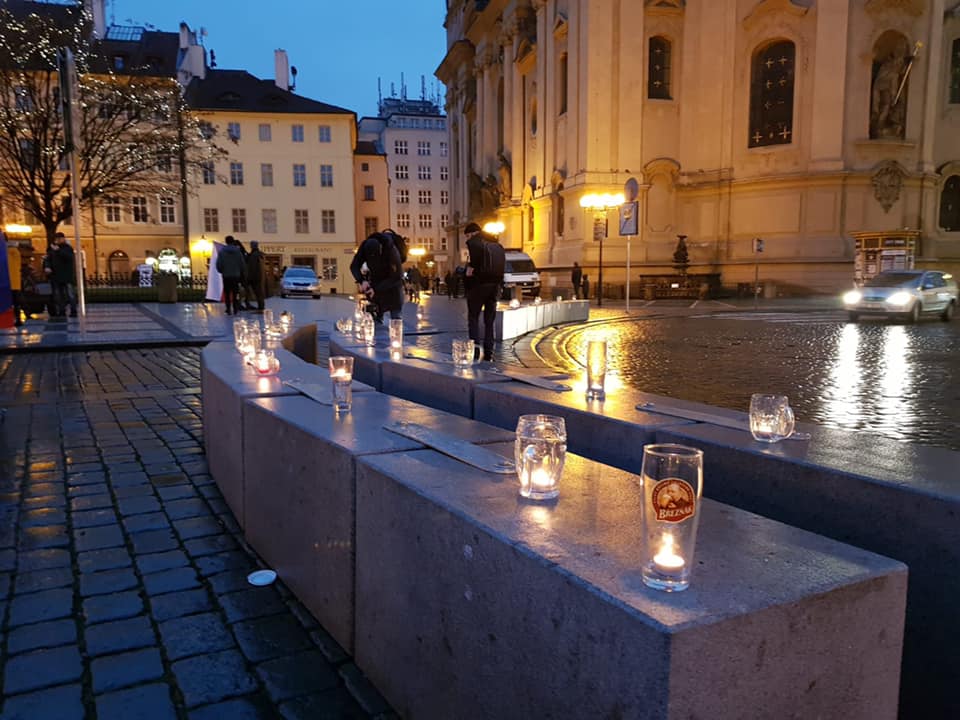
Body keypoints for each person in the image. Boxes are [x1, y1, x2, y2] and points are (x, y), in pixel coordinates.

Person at [464, 222, 505, 362]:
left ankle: (475, 351)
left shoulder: (474, 243)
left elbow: (473, 268)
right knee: (489, 321)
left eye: (468, 235)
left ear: (472, 233)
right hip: (494, 286)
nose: (468, 238)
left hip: (479, 285)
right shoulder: (496, 243)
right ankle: (489, 351)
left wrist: (467, 272)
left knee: (473, 318)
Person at [349, 230, 405, 321]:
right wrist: (362, 281)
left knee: (395, 316)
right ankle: (377, 326)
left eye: (375, 256)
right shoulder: (364, 246)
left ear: (380, 249)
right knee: (374, 315)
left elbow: (397, 276)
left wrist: (375, 288)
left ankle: (396, 330)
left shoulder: (391, 250)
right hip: (376, 282)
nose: (372, 259)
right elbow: (354, 266)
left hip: (393, 285)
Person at [216, 235, 246, 315]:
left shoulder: (222, 252)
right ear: (233, 241)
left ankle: (228, 308)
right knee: (236, 293)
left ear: (226, 241)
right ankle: (235, 308)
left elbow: (218, 264)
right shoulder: (238, 252)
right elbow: (242, 264)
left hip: (226, 275)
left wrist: (222, 271)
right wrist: (240, 271)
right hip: (236, 275)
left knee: (227, 293)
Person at [51, 232, 77, 318]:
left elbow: (69, 257)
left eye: (59, 238)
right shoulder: (53, 249)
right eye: (56, 239)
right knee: (59, 295)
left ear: (63, 239)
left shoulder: (67, 248)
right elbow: (49, 259)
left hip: (67, 275)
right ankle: (62, 311)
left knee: (70, 294)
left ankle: (73, 310)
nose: (57, 240)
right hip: (57, 275)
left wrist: (58, 250)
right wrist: (47, 267)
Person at [5, 235, 23, 327]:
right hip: (13, 282)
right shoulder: (13, 251)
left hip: (9, 282)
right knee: (16, 302)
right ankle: (17, 319)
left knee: (15, 302)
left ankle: (17, 319)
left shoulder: (10, 251)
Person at [246, 241, 267, 311]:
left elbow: (252, 267)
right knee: (259, 293)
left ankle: (261, 307)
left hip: (254, 277)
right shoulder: (260, 255)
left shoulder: (254, 255)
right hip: (260, 276)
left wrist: (249, 278)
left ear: (251, 246)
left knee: (257, 293)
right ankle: (261, 306)